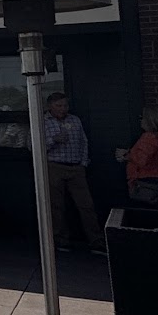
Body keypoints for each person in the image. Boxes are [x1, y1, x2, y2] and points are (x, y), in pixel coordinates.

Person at [43, 92, 104, 253]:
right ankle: (61, 239)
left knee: (86, 205)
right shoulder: (43, 122)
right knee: (56, 205)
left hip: (75, 167)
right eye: (58, 106)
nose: (63, 109)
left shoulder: (74, 120)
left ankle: (96, 240)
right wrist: (53, 140)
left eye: (65, 105)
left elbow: (84, 142)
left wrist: (83, 163)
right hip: (54, 166)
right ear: (50, 107)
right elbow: (33, 145)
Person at [123, 106, 158, 207]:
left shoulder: (149, 137)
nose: (141, 120)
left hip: (149, 183)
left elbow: (142, 160)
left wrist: (127, 155)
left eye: (142, 117)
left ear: (150, 120)